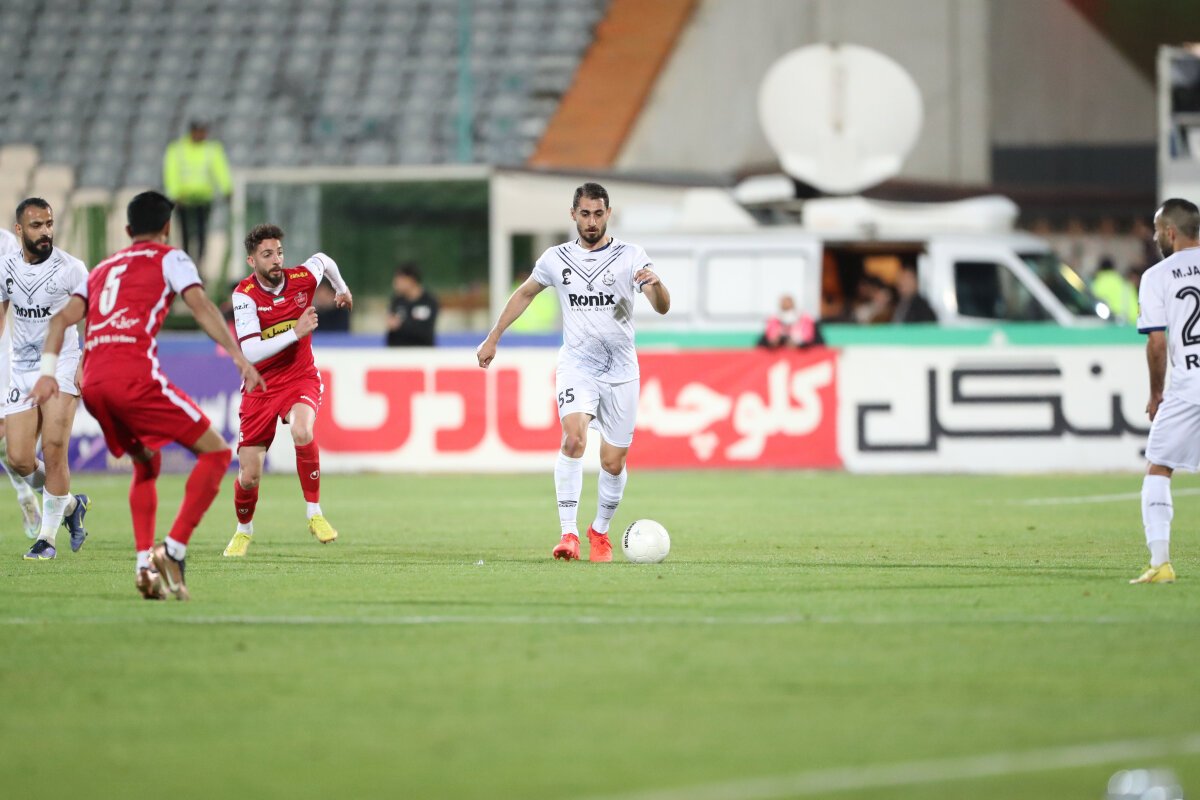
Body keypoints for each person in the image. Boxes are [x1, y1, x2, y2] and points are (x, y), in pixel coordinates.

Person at [31, 191, 265, 600]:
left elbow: (61, 320)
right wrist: (238, 357)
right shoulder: (171, 258)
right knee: (216, 454)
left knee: (146, 462)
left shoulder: (102, 268)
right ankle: (172, 552)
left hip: (94, 385)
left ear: (127, 230)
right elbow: (201, 306)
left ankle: (144, 567)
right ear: (167, 228)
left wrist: (48, 374)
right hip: (133, 378)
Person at [476, 182, 670, 562]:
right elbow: (525, 293)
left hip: (622, 371)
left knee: (613, 462)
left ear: (608, 213)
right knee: (573, 440)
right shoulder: (556, 258)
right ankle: (569, 534)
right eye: (585, 214)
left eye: (598, 214)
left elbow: (661, 306)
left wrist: (656, 285)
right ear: (573, 215)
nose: (591, 221)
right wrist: (493, 337)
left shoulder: (631, 256)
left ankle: (600, 530)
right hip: (577, 366)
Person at [223, 224, 352, 557]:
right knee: (249, 476)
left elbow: (323, 260)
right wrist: (296, 332)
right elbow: (250, 350)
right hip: (260, 386)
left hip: (299, 378)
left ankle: (315, 513)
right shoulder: (244, 295)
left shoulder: (301, 279)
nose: (276, 260)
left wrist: (342, 289)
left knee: (302, 429)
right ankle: (243, 530)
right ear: (252, 261)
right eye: (267, 254)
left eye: (279, 252)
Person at [1, 198, 90, 560]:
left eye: (49, 224)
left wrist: (86, 361)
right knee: (19, 459)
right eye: (36, 226)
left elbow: (96, 314)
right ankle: (70, 505)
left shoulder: (72, 269)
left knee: (54, 447)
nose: (45, 232)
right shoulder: (5, 267)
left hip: (62, 363)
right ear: (19, 230)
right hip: (21, 367)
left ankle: (47, 540)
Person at [1131, 197, 1200, 584]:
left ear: (1171, 233)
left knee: (1159, 467)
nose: (1155, 237)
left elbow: (1157, 343)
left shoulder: (1157, 276)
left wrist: (1156, 393)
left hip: (1189, 388)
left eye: (1157, 230)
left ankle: (1161, 564)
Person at [0, 226, 41, 539]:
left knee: (5, 437)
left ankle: (29, 494)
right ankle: (65, 503)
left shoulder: (4, 244)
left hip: (2, 350)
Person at [162, 119, 232, 267]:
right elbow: (171, 172)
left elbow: (220, 170)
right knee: (185, 234)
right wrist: (174, 194)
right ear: (192, 132)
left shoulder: (212, 149)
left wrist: (226, 189)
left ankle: (199, 264)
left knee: (202, 234)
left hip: (204, 199)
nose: (201, 134)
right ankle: (186, 263)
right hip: (183, 200)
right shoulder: (177, 149)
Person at [386, 264, 438, 346]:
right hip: (398, 351)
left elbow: (425, 331)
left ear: (411, 280)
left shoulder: (429, 301)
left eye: (399, 280)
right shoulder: (397, 301)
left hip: (422, 351)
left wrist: (401, 325)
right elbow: (392, 329)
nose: (395, 284)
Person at [757, 294, 823, 348]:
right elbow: (771, 337)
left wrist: (798, 341)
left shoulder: (804, 318)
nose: (786, 305)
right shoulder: (774, 319)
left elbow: (808, 336)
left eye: (788, 303)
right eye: (784, 303)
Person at [1090, 257, 1139, 324]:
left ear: (1100, 269)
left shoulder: (1098, 283)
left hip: (1112, 324)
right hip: (1132, 323)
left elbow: (1093, 304)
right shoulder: (1124, 282)